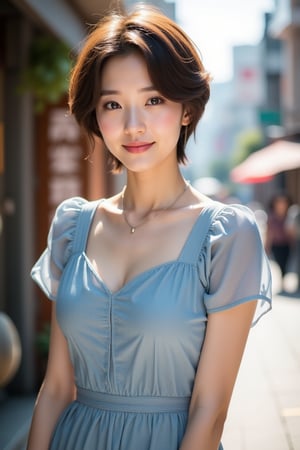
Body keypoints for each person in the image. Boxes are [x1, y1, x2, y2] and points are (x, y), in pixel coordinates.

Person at [26, 5, 272, 450]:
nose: (133, 125)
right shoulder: (73, 225)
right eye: (113, 104)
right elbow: (57, 389)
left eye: (153, 99)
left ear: (185, 109)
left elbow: (210, 410)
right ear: (96, 117)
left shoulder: (225, 236)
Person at [265, 192, 293, 291]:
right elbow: (269, 233)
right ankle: (282, 280)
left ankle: (283, 279)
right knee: (279, 262)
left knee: (286, 263)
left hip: (287, 244)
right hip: (276, 245)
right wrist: (267, 246)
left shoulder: (290, 215)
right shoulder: (271, 217)